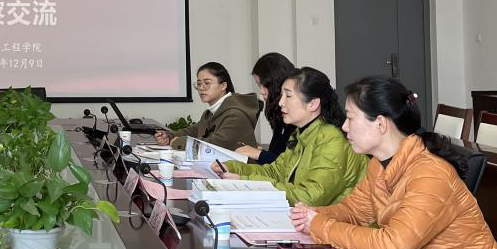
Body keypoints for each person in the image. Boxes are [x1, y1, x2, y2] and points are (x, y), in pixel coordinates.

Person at [290, 76, 497, 249]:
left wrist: (320, 226)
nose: (344, 126)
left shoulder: (431, 175)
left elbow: (393, 246)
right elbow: (354, 211)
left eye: (351, 118)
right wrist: (312, 215)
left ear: (380, 124)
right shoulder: (379, 165)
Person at [217, 67, 367, 206]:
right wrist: (232, 167)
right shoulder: (300, 134)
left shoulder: (332, 140)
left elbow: (309, 198)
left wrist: (245, 181)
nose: (281, 103)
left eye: (288, 95)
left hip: (340, 223)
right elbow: (275, 172)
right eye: (282, 95)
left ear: (313, 104)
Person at [154, 62, 259, 151]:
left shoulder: (235, 115)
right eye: (199, 84)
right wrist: (169, 136)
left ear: (223, 86)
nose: (201, 88)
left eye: (207, 83)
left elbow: (214, 145)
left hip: (240, 168)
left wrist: (179, 142)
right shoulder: (209, 114)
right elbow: (193, 131)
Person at [234, 52, 296, 164]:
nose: (261, 92)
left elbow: (290, 167)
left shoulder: (297, 118)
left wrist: (259, 154)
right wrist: (261, 153)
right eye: (259, 85)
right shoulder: (279, 114)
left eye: (266, 85)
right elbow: (278, 157)